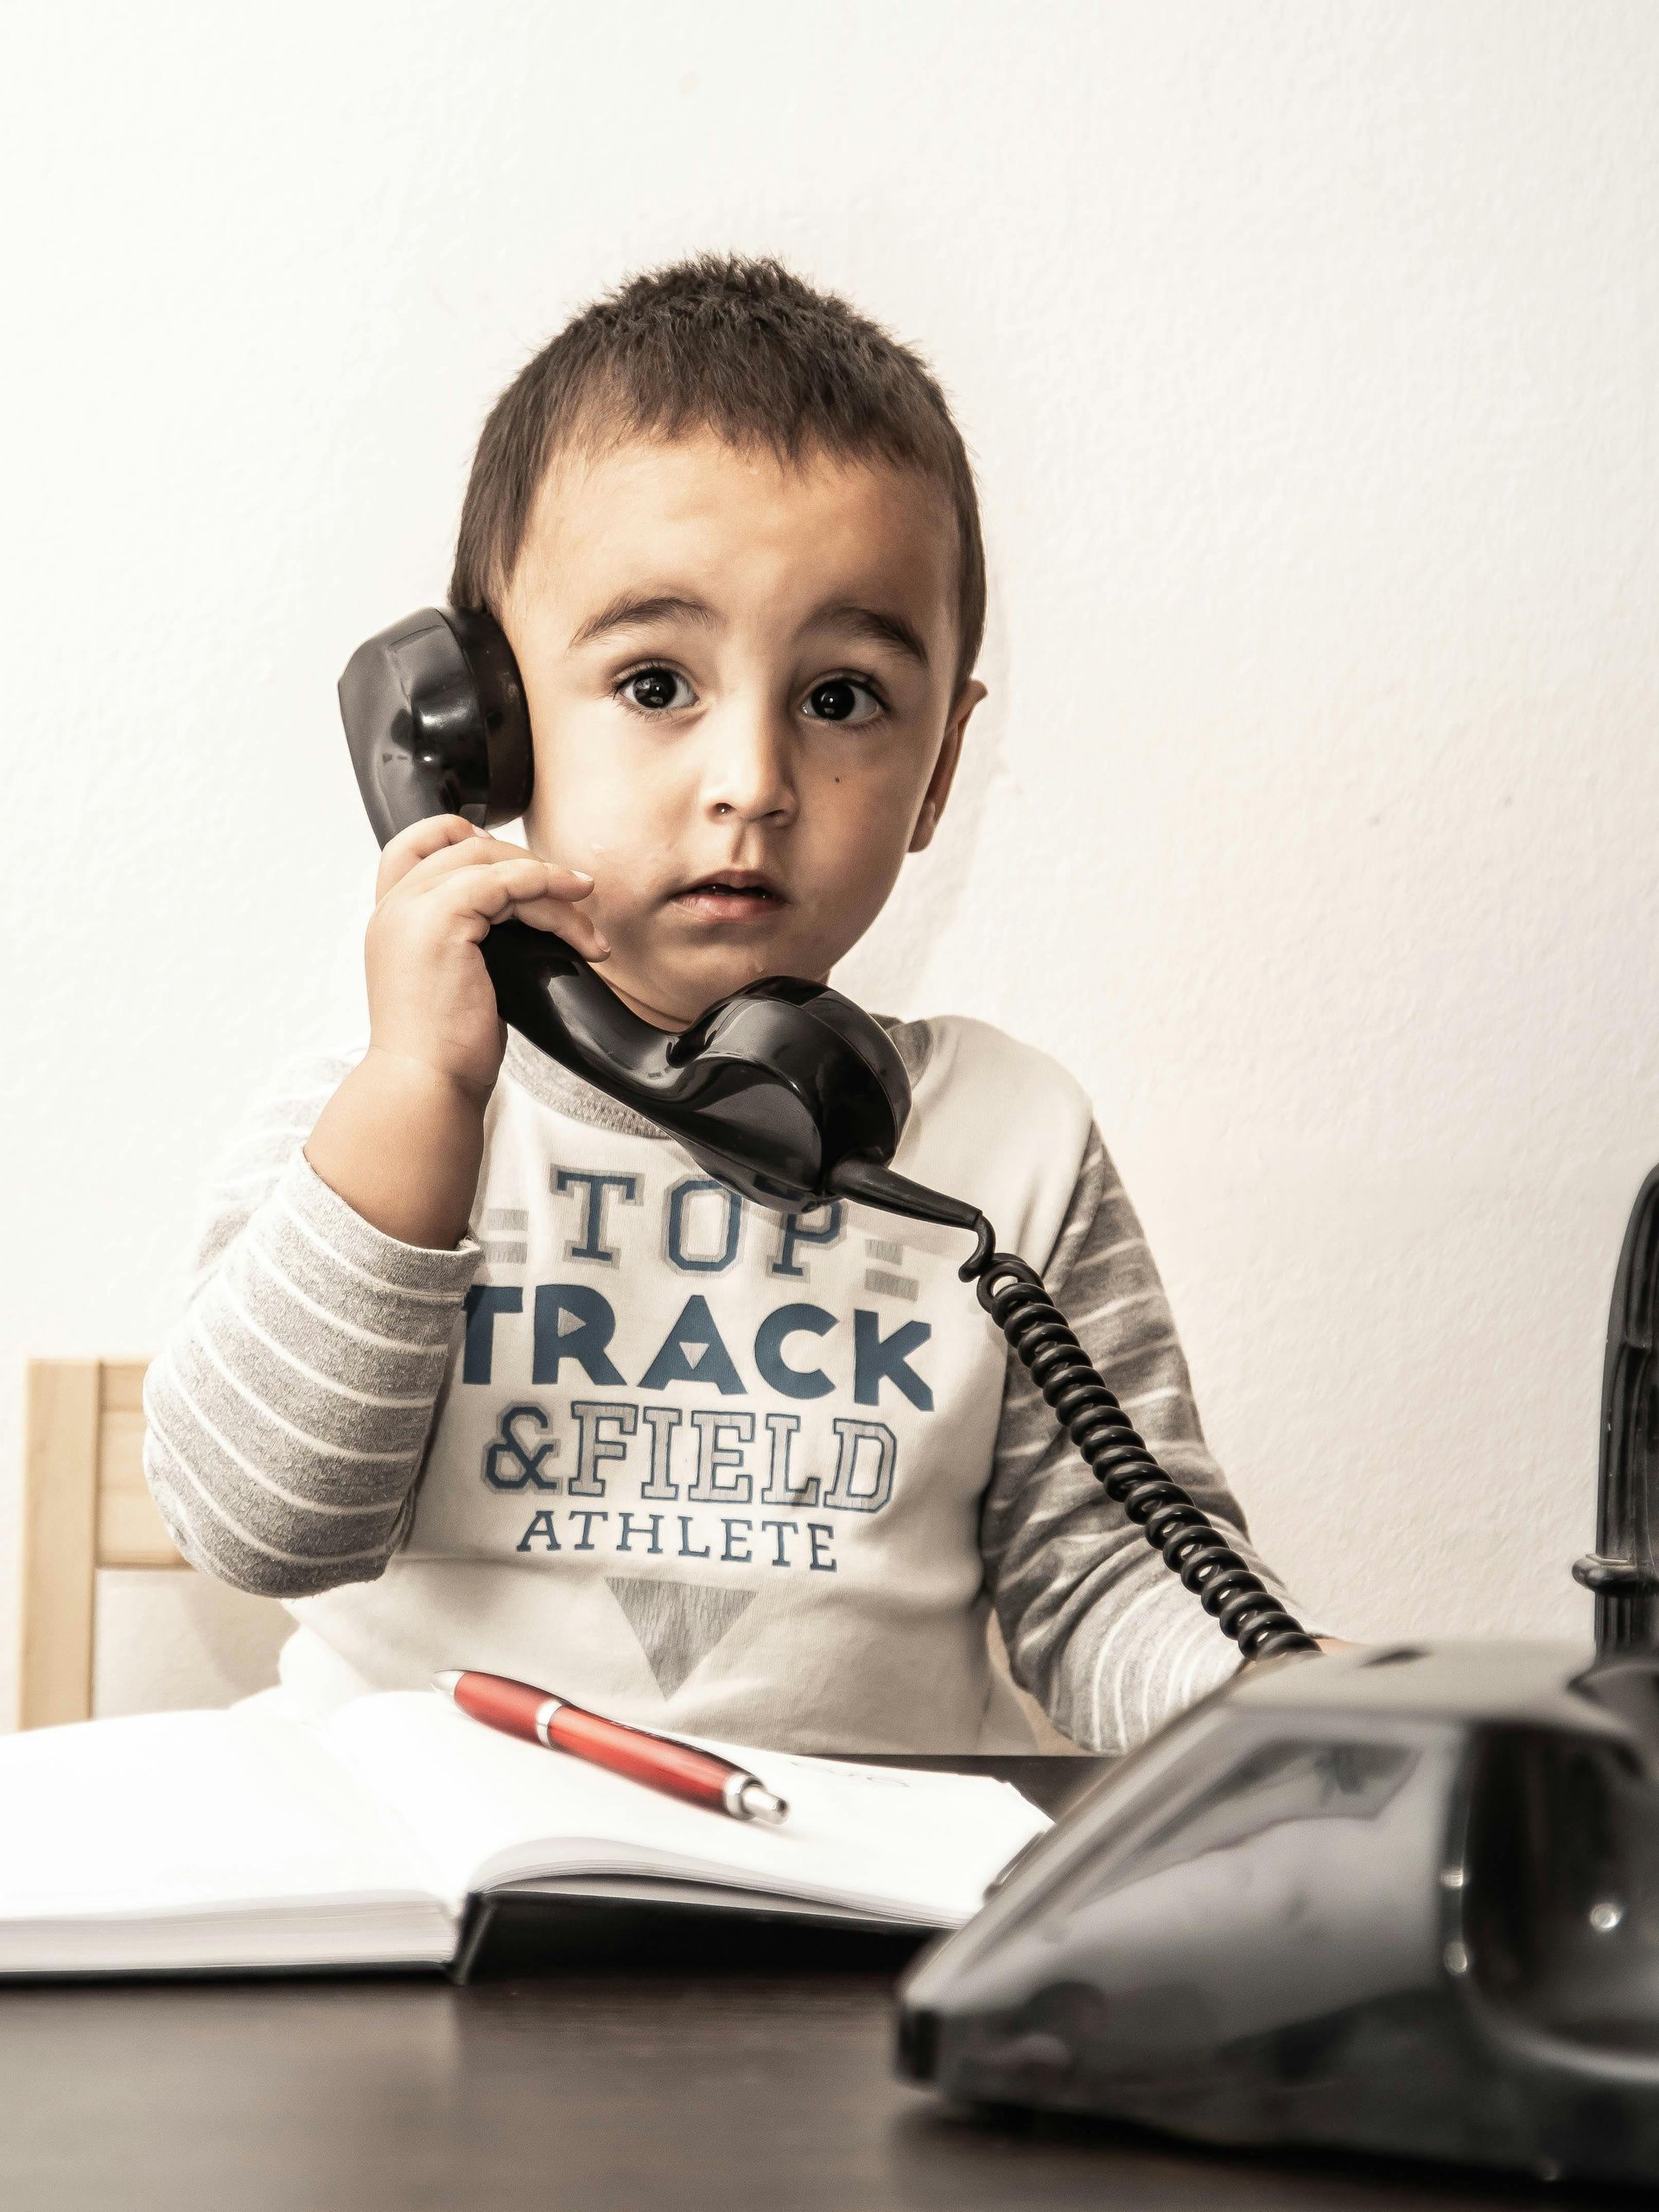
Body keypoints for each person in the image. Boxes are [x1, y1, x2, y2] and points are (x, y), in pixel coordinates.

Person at [143, 252, 1321, 1753]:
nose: (753, 783)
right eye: (654, 684)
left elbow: (1104, 1580)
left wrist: (1276, 1694)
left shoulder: (1009, 1148)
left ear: (940, 770)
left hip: (841, 1938)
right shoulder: (369, 1115)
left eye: (840, 698)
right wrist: (420, 1102)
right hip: (425, 1905)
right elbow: (261, 1528)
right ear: (481, 732)